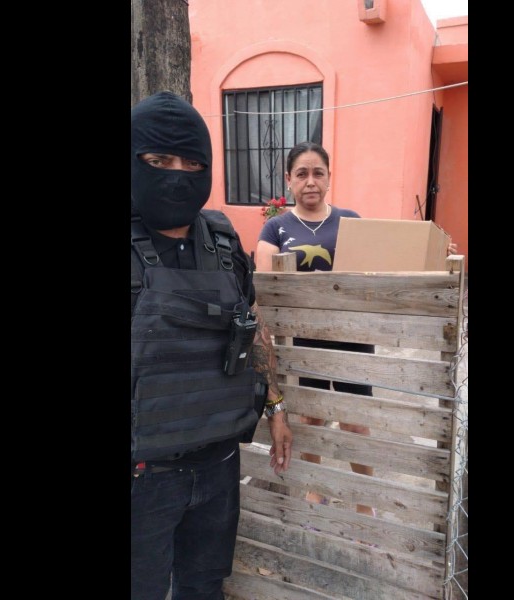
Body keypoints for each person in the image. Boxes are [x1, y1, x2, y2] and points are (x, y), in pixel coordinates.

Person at [131, 91, 293, 600]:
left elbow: (252, 323)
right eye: (159, 161)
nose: (178, 175)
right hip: (143, 476)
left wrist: (277, 407)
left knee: (203, 587)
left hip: (219, 466)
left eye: (192, 163)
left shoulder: (222, 241)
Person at [255, 141, 377, 516]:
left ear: (328, 178)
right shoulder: (276, 227)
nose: (310, 181)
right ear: (289, 180)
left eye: (318, 173)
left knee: (355, 422)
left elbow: (379, 266)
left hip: (351, 337)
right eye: (302, 173)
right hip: (303, 342)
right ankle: (316, 488)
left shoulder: (351, 221)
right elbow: (264, 282)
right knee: (311, 417)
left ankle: (365, 501)